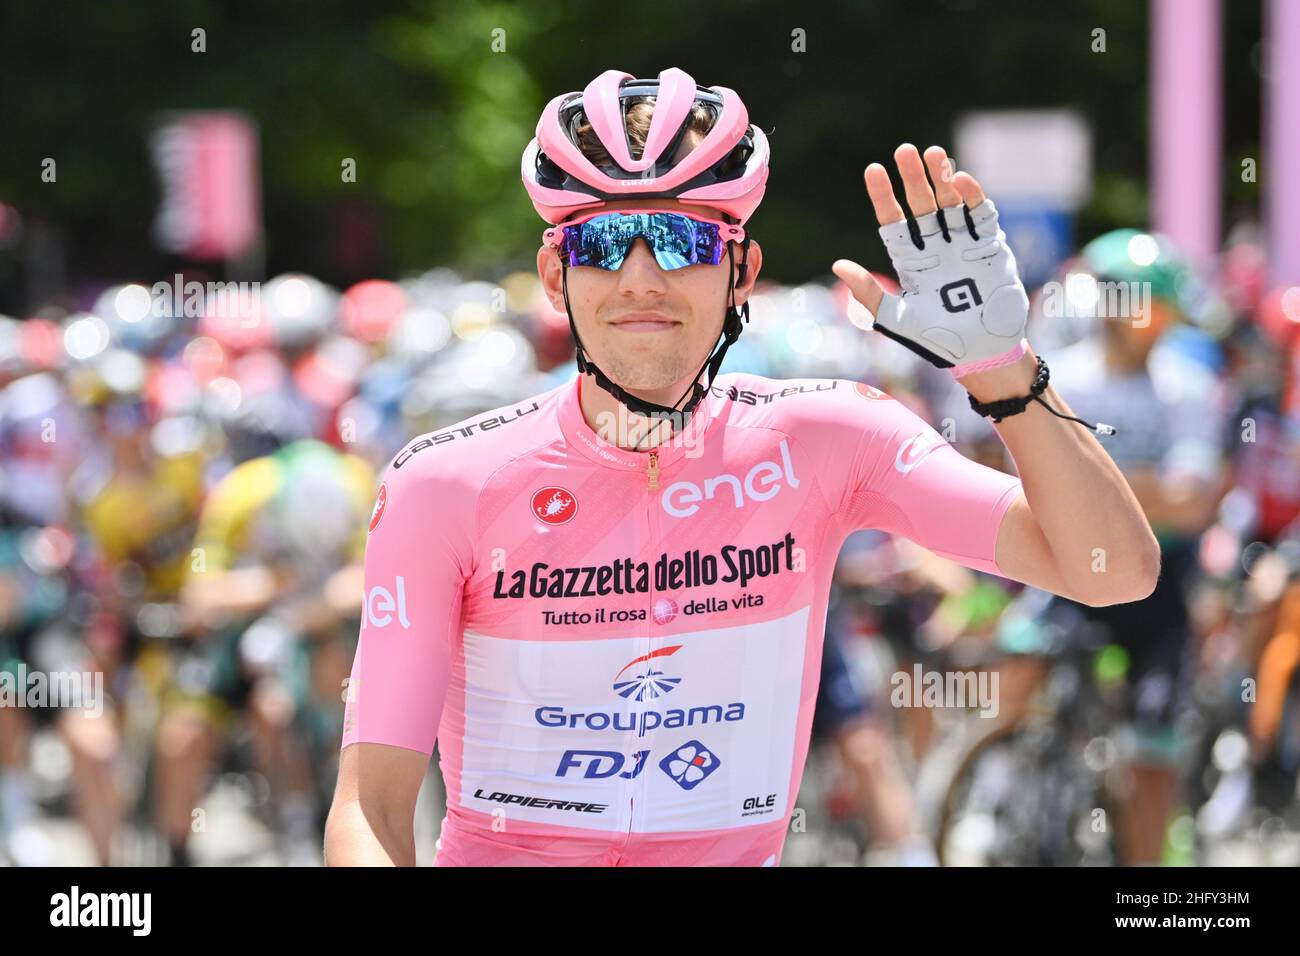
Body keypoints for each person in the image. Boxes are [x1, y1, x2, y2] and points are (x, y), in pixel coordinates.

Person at [326, 67, 1158, 867]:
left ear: (741, 273)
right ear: (555, 273)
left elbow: (1111, 570)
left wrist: (1004, 374)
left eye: (685, 239)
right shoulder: (443, 485)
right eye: (606, 243)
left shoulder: (827, 439)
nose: (642, 278)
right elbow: (374, 804)